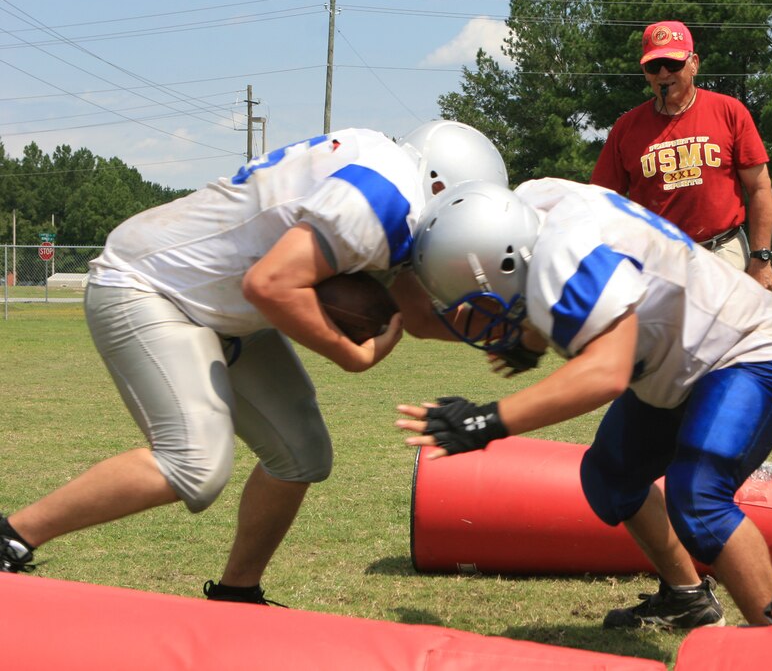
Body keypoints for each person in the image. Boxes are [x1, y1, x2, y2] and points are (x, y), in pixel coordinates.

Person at [0, 121, 507, 606]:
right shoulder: (385, 198)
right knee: (193, 466)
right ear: (441, 187)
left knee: (301, 454)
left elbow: (416, 316)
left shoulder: (390, 182)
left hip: (220, 305)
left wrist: (510, 336)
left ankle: (236, 594)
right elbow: (269, 285)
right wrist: (351, 356)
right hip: (152, 286)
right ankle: (11, 537)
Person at [396, 178, 772, 628]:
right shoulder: (533, 207)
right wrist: (530, 338)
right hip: (682, 362)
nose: (478, 315)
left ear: (506, 264)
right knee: (612, 475)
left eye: (479, 301)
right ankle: (687, 600)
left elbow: (606, 371)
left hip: (748, 351)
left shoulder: (562, 257)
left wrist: (486, 422)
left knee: (699, 499)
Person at [591, 20, 772, 291]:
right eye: (654, 66)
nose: (664, 72)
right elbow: (601, 201)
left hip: (722, 253)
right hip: (658, 263)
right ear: (645, 73)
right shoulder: (626, 128)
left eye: (673, 63)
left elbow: (760, 187)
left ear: (694, 64)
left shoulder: (729, 112)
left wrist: (761, 259)